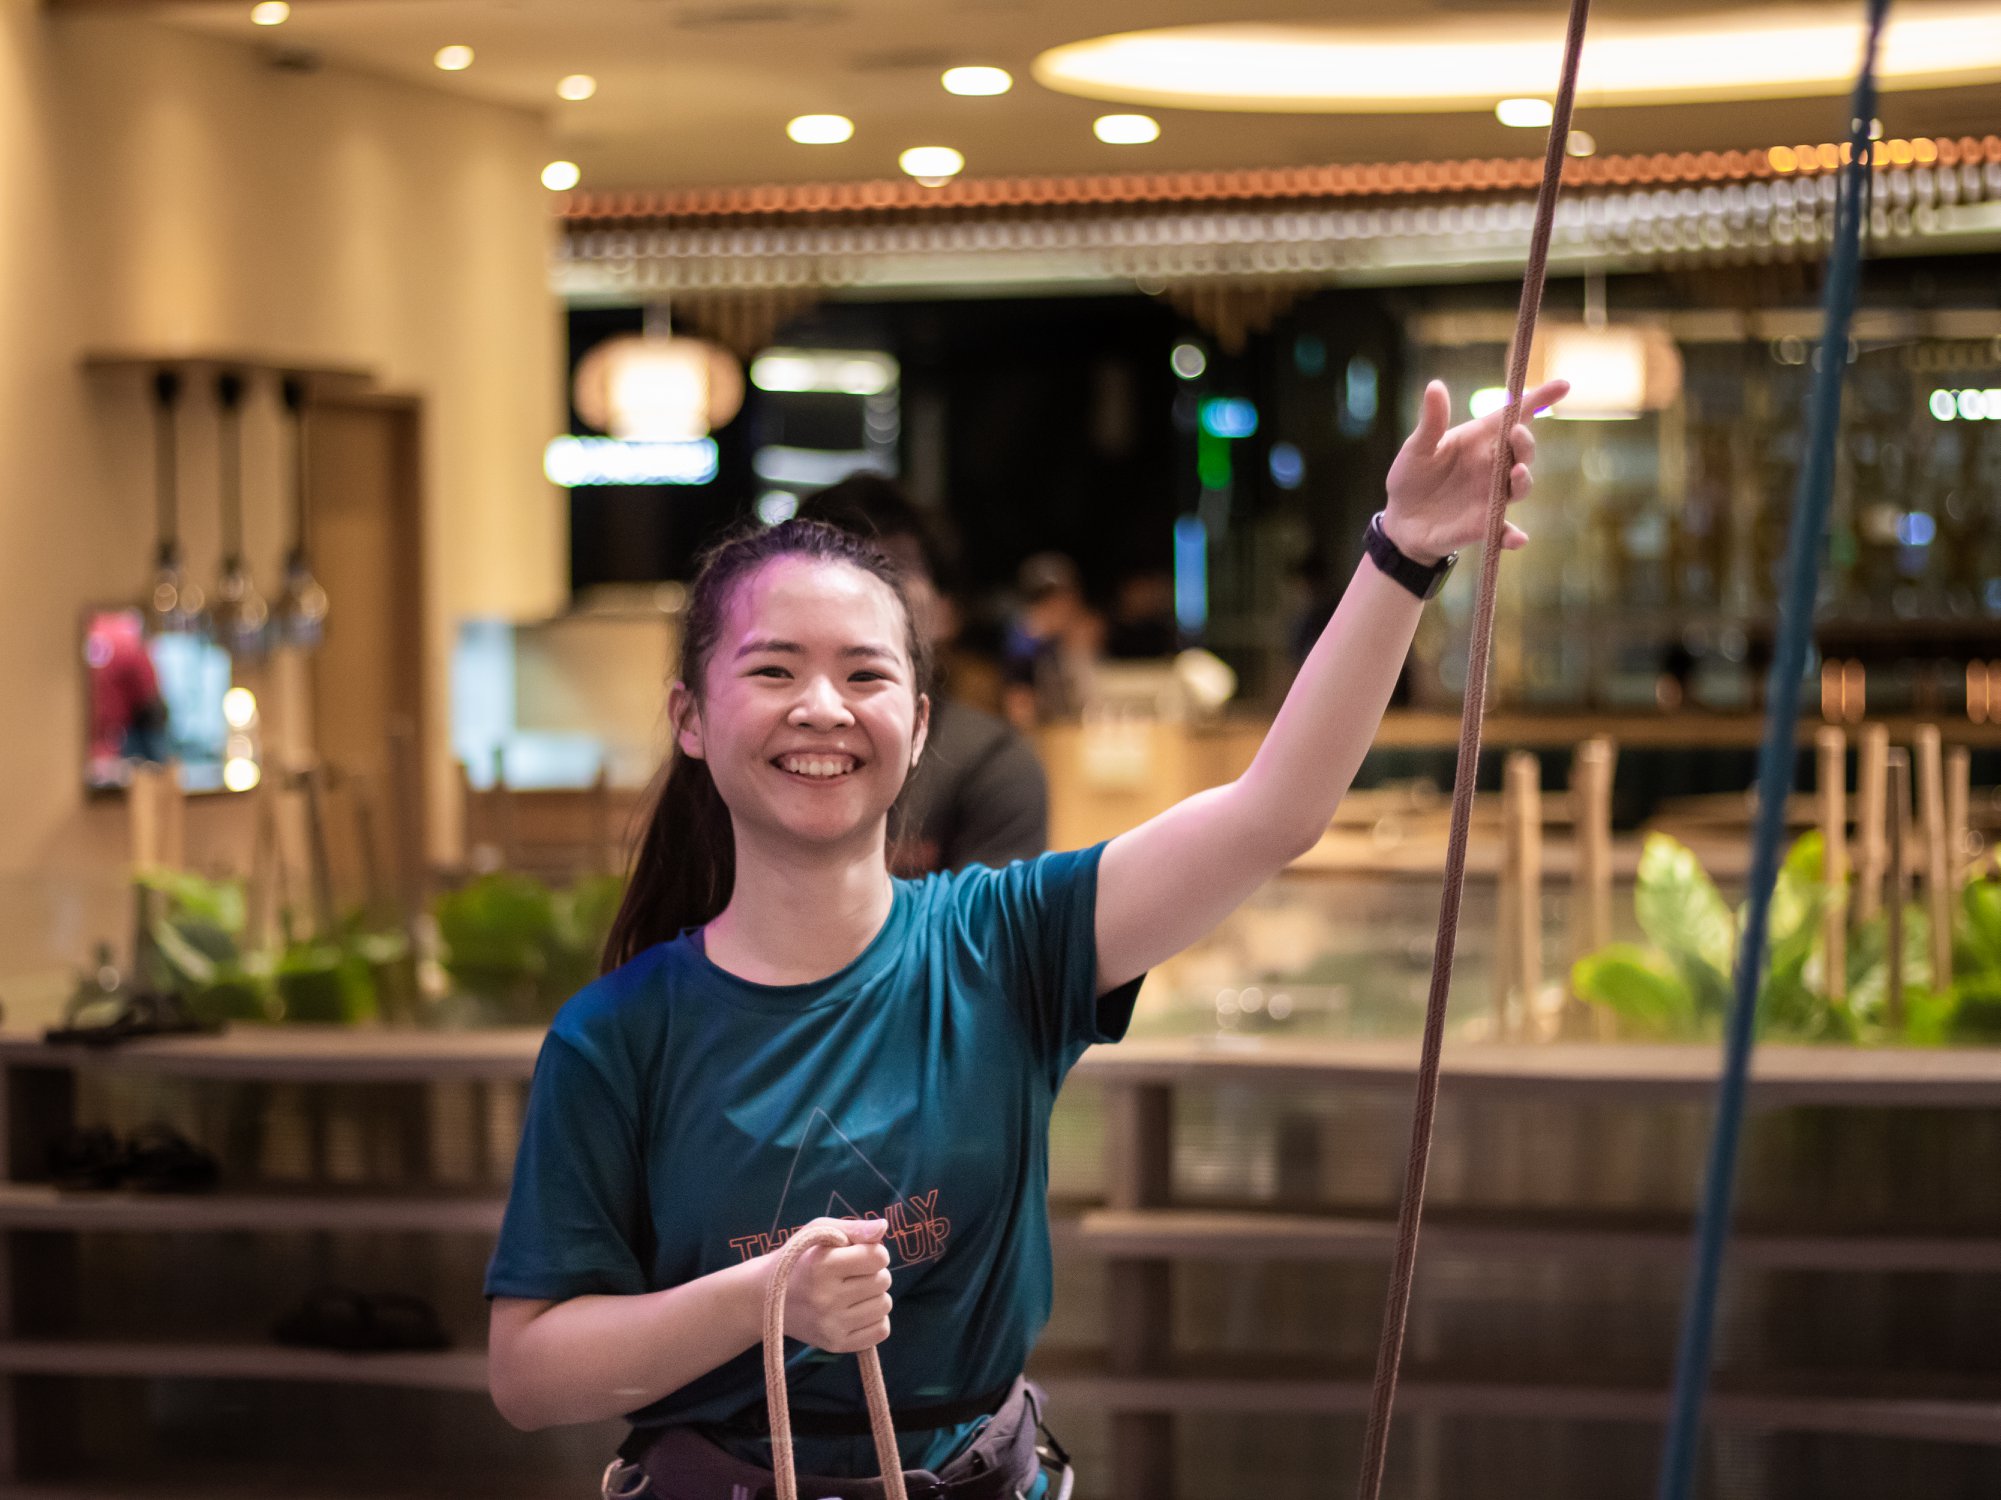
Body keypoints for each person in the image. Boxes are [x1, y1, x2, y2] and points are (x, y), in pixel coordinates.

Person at [483, 377, 1565, 1499]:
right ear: (691, 720)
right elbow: (528, 1372)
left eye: (866, 674)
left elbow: (1273, 814)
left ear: (919, 724)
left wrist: (1401, 557)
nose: (822, 707)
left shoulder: (1005, 944)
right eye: (773, 670)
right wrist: (764, 1301)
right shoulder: (617, 1036)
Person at [793, 474, 1048, 875]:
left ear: (946, 610)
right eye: (836, 569)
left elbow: (985, 933)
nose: (859, 593)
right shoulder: (751, 746)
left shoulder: (991, 764)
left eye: (890, 569)